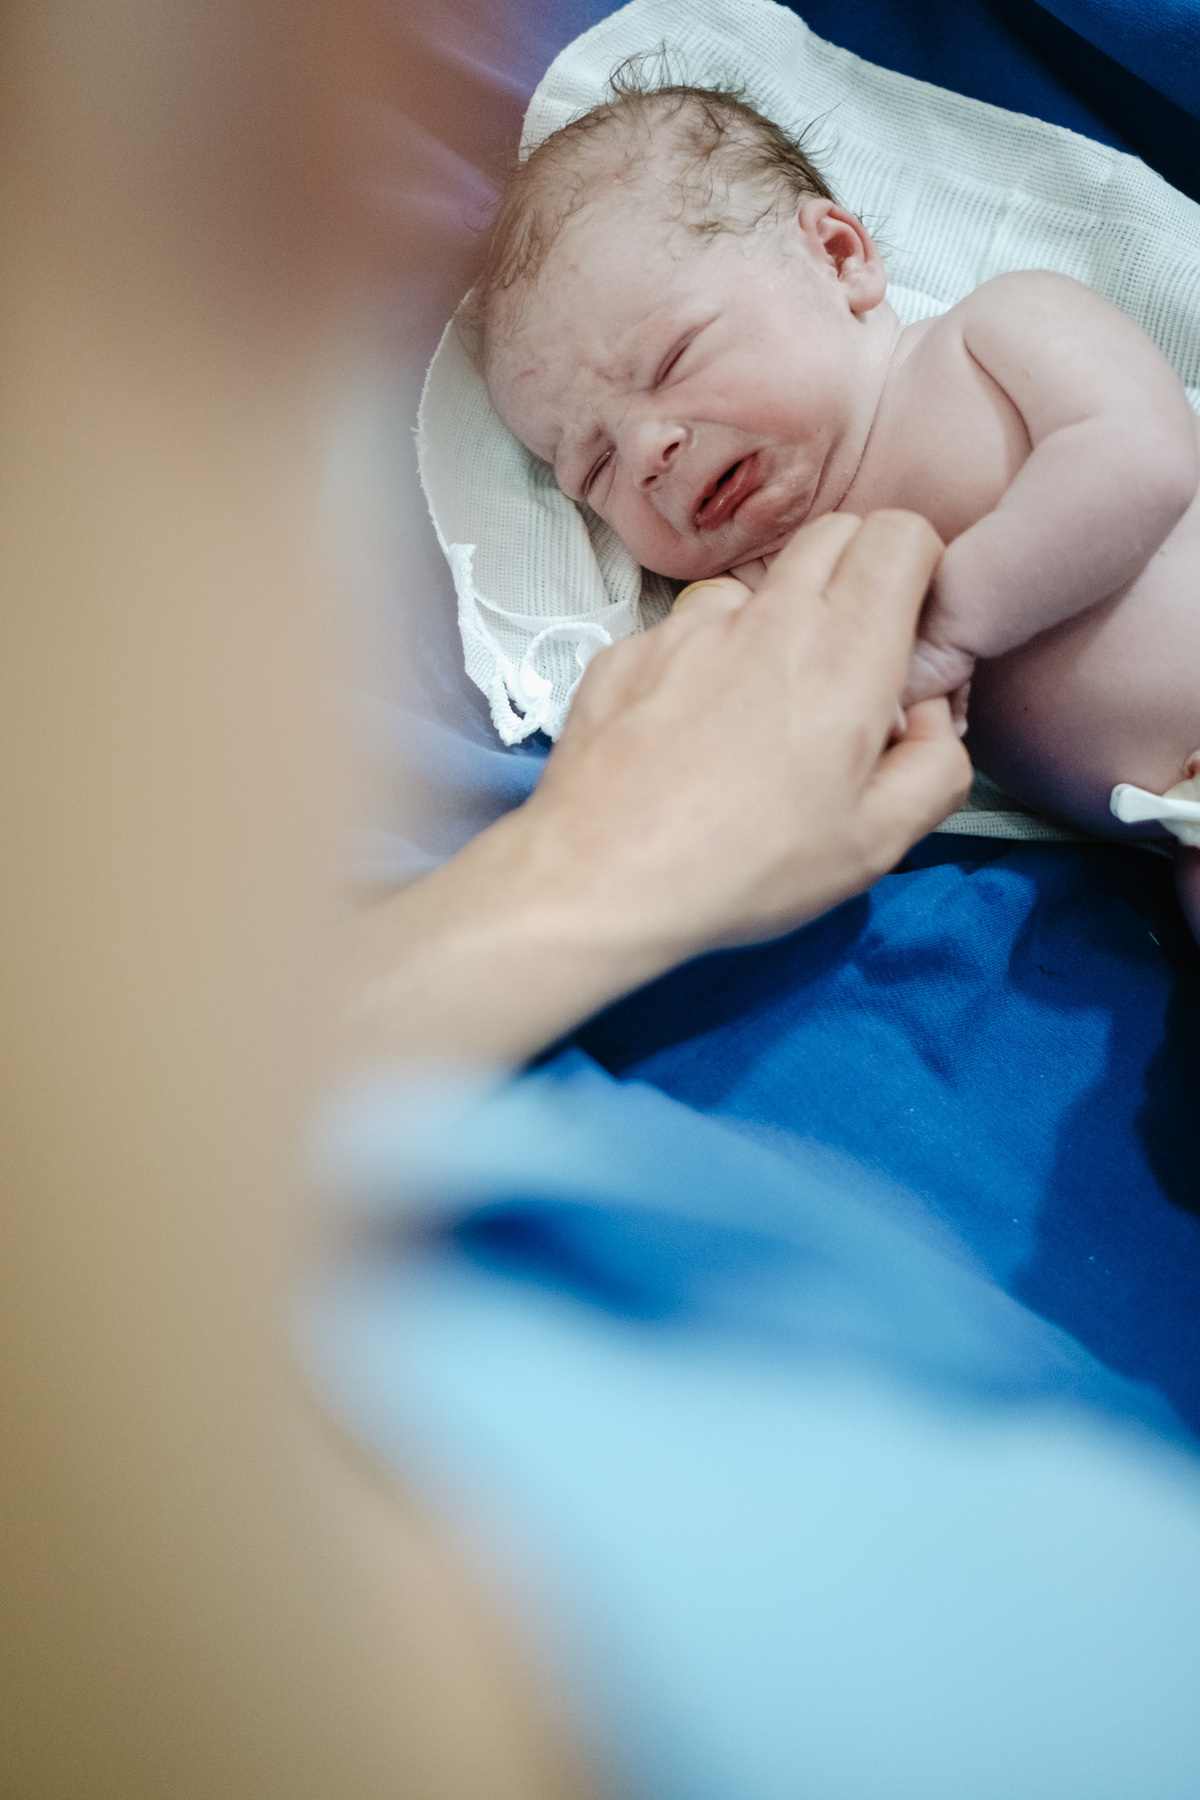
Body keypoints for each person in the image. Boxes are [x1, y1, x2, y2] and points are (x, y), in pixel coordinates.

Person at [476, 82, 1200, 930]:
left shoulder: (994, 336)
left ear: (838, 257)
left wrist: (949, 627)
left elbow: (1144, 459)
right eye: (593, 467)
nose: (644, 455)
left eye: (673, 359)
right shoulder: (761, 586)